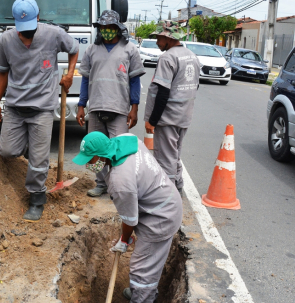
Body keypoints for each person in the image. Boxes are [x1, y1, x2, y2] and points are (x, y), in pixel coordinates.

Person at [0, 0, 79, 222]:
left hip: (42, 108)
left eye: (30, 27)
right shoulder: (6, 40)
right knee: (8, 151)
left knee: (39, 160)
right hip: (15, 107)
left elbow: (74, 49)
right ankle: (30, 150)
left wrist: (69, 74)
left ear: (37, 18)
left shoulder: (53, 34)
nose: (26, 34)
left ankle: (37, 199)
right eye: (22, 29)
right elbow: (3, 73)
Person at [72, 131, 182, 302]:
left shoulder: (120, 182)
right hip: (163, 197)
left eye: (90, 160)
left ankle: (143, 296)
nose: (87, 165)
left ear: (101, 156)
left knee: (142, 268)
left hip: (162, 216)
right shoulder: (128, 139)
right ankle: (142, 290)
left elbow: (130, 220)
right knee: (148, 262)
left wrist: (123, 240)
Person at [76, 10, 145, 198]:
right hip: (96, 106)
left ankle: (120, 185)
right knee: (96, 149)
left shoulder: (130, 49)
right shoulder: (91, 50)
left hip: (119, 107)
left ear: (118, 28)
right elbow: (85, 80)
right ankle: (101, 183)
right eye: (103, 27)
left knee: (119, 151)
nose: (106, 30)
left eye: (110, 27)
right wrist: (81, 105)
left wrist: (134, 107)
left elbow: (134, 81)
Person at [144, 21, 200, 193]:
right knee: (174, 154)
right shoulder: (191, 56)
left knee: (165, 159)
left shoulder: (167, 58)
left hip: (168, 118)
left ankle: (168, 197)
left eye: (159, 38)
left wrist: (152, 121)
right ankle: (179, 186)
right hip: (184, 115)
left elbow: (162, 93)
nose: (157, 42)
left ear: (168, 38)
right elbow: (195, 86)